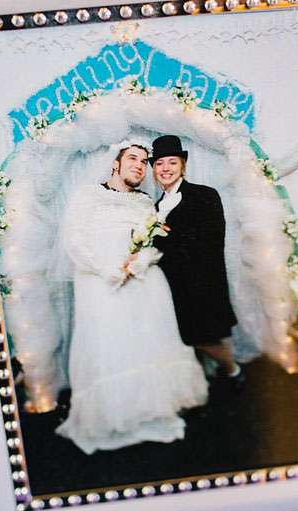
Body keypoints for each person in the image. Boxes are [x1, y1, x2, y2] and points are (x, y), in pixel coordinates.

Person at [55, 142, 208, 454]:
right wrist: (104, 268)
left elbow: (155, 242)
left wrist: (142, 261)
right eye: (133, 159)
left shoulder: (145, 201)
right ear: (115, 163)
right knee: (111, 344)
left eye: (144, 161)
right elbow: (73, 239)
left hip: (144, 281)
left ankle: (152, 409)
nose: (140, 165)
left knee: (148, 343)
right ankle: (115, 414)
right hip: (100, 282)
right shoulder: (88, 195)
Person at [150, 135, 243, 385]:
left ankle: (234, 371)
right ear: (154, 170)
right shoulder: (156, 207)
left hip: (202, 282)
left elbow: (211, 241)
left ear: (183, 166)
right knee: (186, 342)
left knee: (202, 338)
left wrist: (162, 245)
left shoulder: (205, 195)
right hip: (173, 286)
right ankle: (203, 382)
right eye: (159, 164)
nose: (165, 168)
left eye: (172, 162)